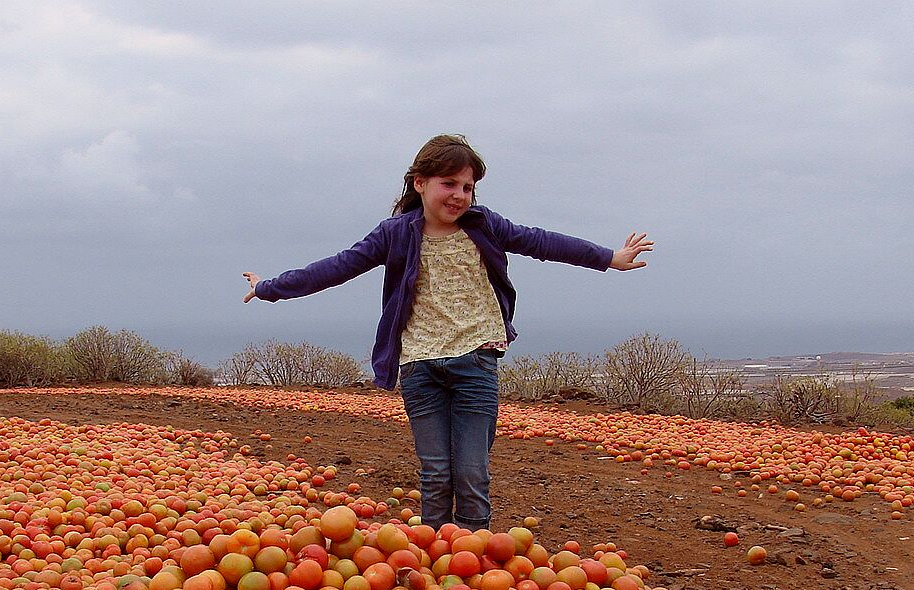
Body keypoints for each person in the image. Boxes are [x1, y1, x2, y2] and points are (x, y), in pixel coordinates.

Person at [242, 133, 652, 531]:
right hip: (419, 366)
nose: (460, 195)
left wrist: (608, 259)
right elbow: (334, 268)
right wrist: (267, 288)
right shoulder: (395, 234)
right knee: (435, 474)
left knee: (472, 474)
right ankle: (435, 557)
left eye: (468, 187)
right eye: (449, 183)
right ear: (420, 183)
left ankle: (471, 563)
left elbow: (543, 242)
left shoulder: (484, 225)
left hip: (476, 360)